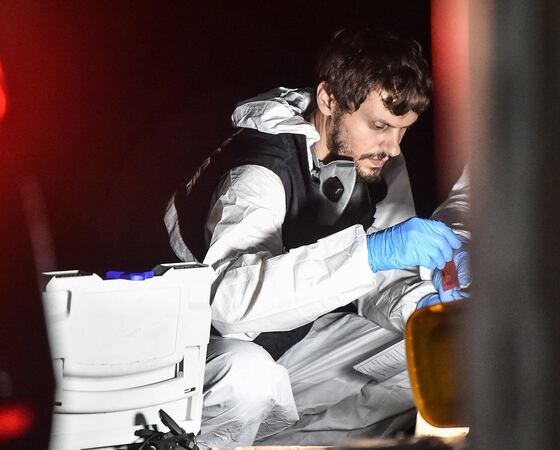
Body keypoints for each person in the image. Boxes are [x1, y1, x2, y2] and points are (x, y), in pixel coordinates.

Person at [163, 27, 466, 449]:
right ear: (328, 100)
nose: (394, 147)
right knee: (248, 376)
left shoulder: (373, 163)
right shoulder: (258, 167)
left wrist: (420, 302)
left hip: (290, 347)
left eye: (403, 129)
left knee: (430, 345)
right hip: (195, 362)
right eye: (380, 125)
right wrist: (373, 252)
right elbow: (230, 307)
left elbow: (375, 279)